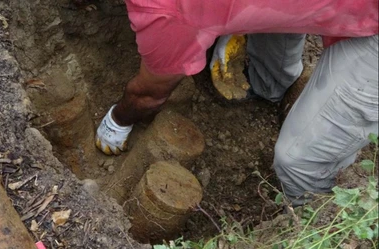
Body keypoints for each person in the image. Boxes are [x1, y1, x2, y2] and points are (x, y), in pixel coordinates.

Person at [95, 0, 378, 205]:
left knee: (297, 160)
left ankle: (311, 215)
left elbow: (148, 94)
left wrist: (117, 120)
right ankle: (271, 84)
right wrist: (234, 17)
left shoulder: (169, 10)